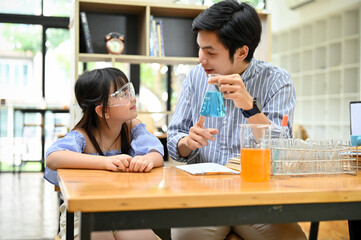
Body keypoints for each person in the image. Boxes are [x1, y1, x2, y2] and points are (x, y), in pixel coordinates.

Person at [167, 1, 306, 239]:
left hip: (258, 199)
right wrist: (187, 143)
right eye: (199, 48)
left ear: (241, 51)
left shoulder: (277, 80)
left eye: (210, 52)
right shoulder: (195, 78)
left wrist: (250, 108)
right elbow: (174, 136)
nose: (201, 59)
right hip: (203, 196)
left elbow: (282, 149)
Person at [44, 67, 164, 240]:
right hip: (83, 214)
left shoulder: (132, 127)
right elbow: (53, 158)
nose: (131, 97)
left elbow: (156, 151)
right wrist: (105, 162)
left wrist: (148, 159)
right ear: (102, 111)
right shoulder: (83, 136)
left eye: (128, 90)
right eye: (121, 94)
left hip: (124, 211)